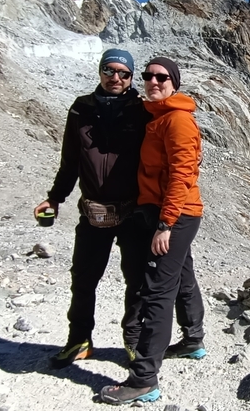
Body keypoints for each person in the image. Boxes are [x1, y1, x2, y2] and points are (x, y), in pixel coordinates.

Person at [33, 48, 152, 370]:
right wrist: (55, 198)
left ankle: (133, 341)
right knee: (83, 279)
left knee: (137, 281)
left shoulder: (143, 111)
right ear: (100, 71)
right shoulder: (80, 109)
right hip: (92, 211)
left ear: (131, 77)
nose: (116, 78)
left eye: (124, 73)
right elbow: (70, 160)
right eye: (109, 70)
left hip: (133, 212)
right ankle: (79, 340)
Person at [100, 57, 207, 405]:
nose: (153, 81)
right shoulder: (158, 116)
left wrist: (166, 224)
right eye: (148, 76)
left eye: (162, 77)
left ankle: (143, 379)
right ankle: (193, 340)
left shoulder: (177, 121)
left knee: (158, 290)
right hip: (170, 213)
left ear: (174, 83)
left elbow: (182, 175)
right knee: (183, 274)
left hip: (175, 215)